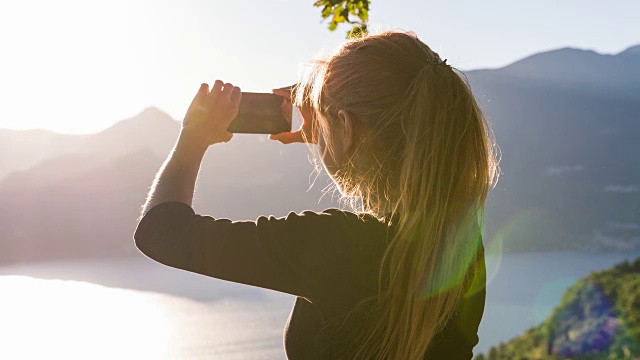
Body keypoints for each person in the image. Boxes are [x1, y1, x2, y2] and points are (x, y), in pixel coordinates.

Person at [134, 30, 499, 359]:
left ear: (348, 127)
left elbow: (160, 233)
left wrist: (192, 140)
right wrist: (334, 133)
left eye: (326, 124)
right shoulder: (461, 245)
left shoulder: (335, 245)